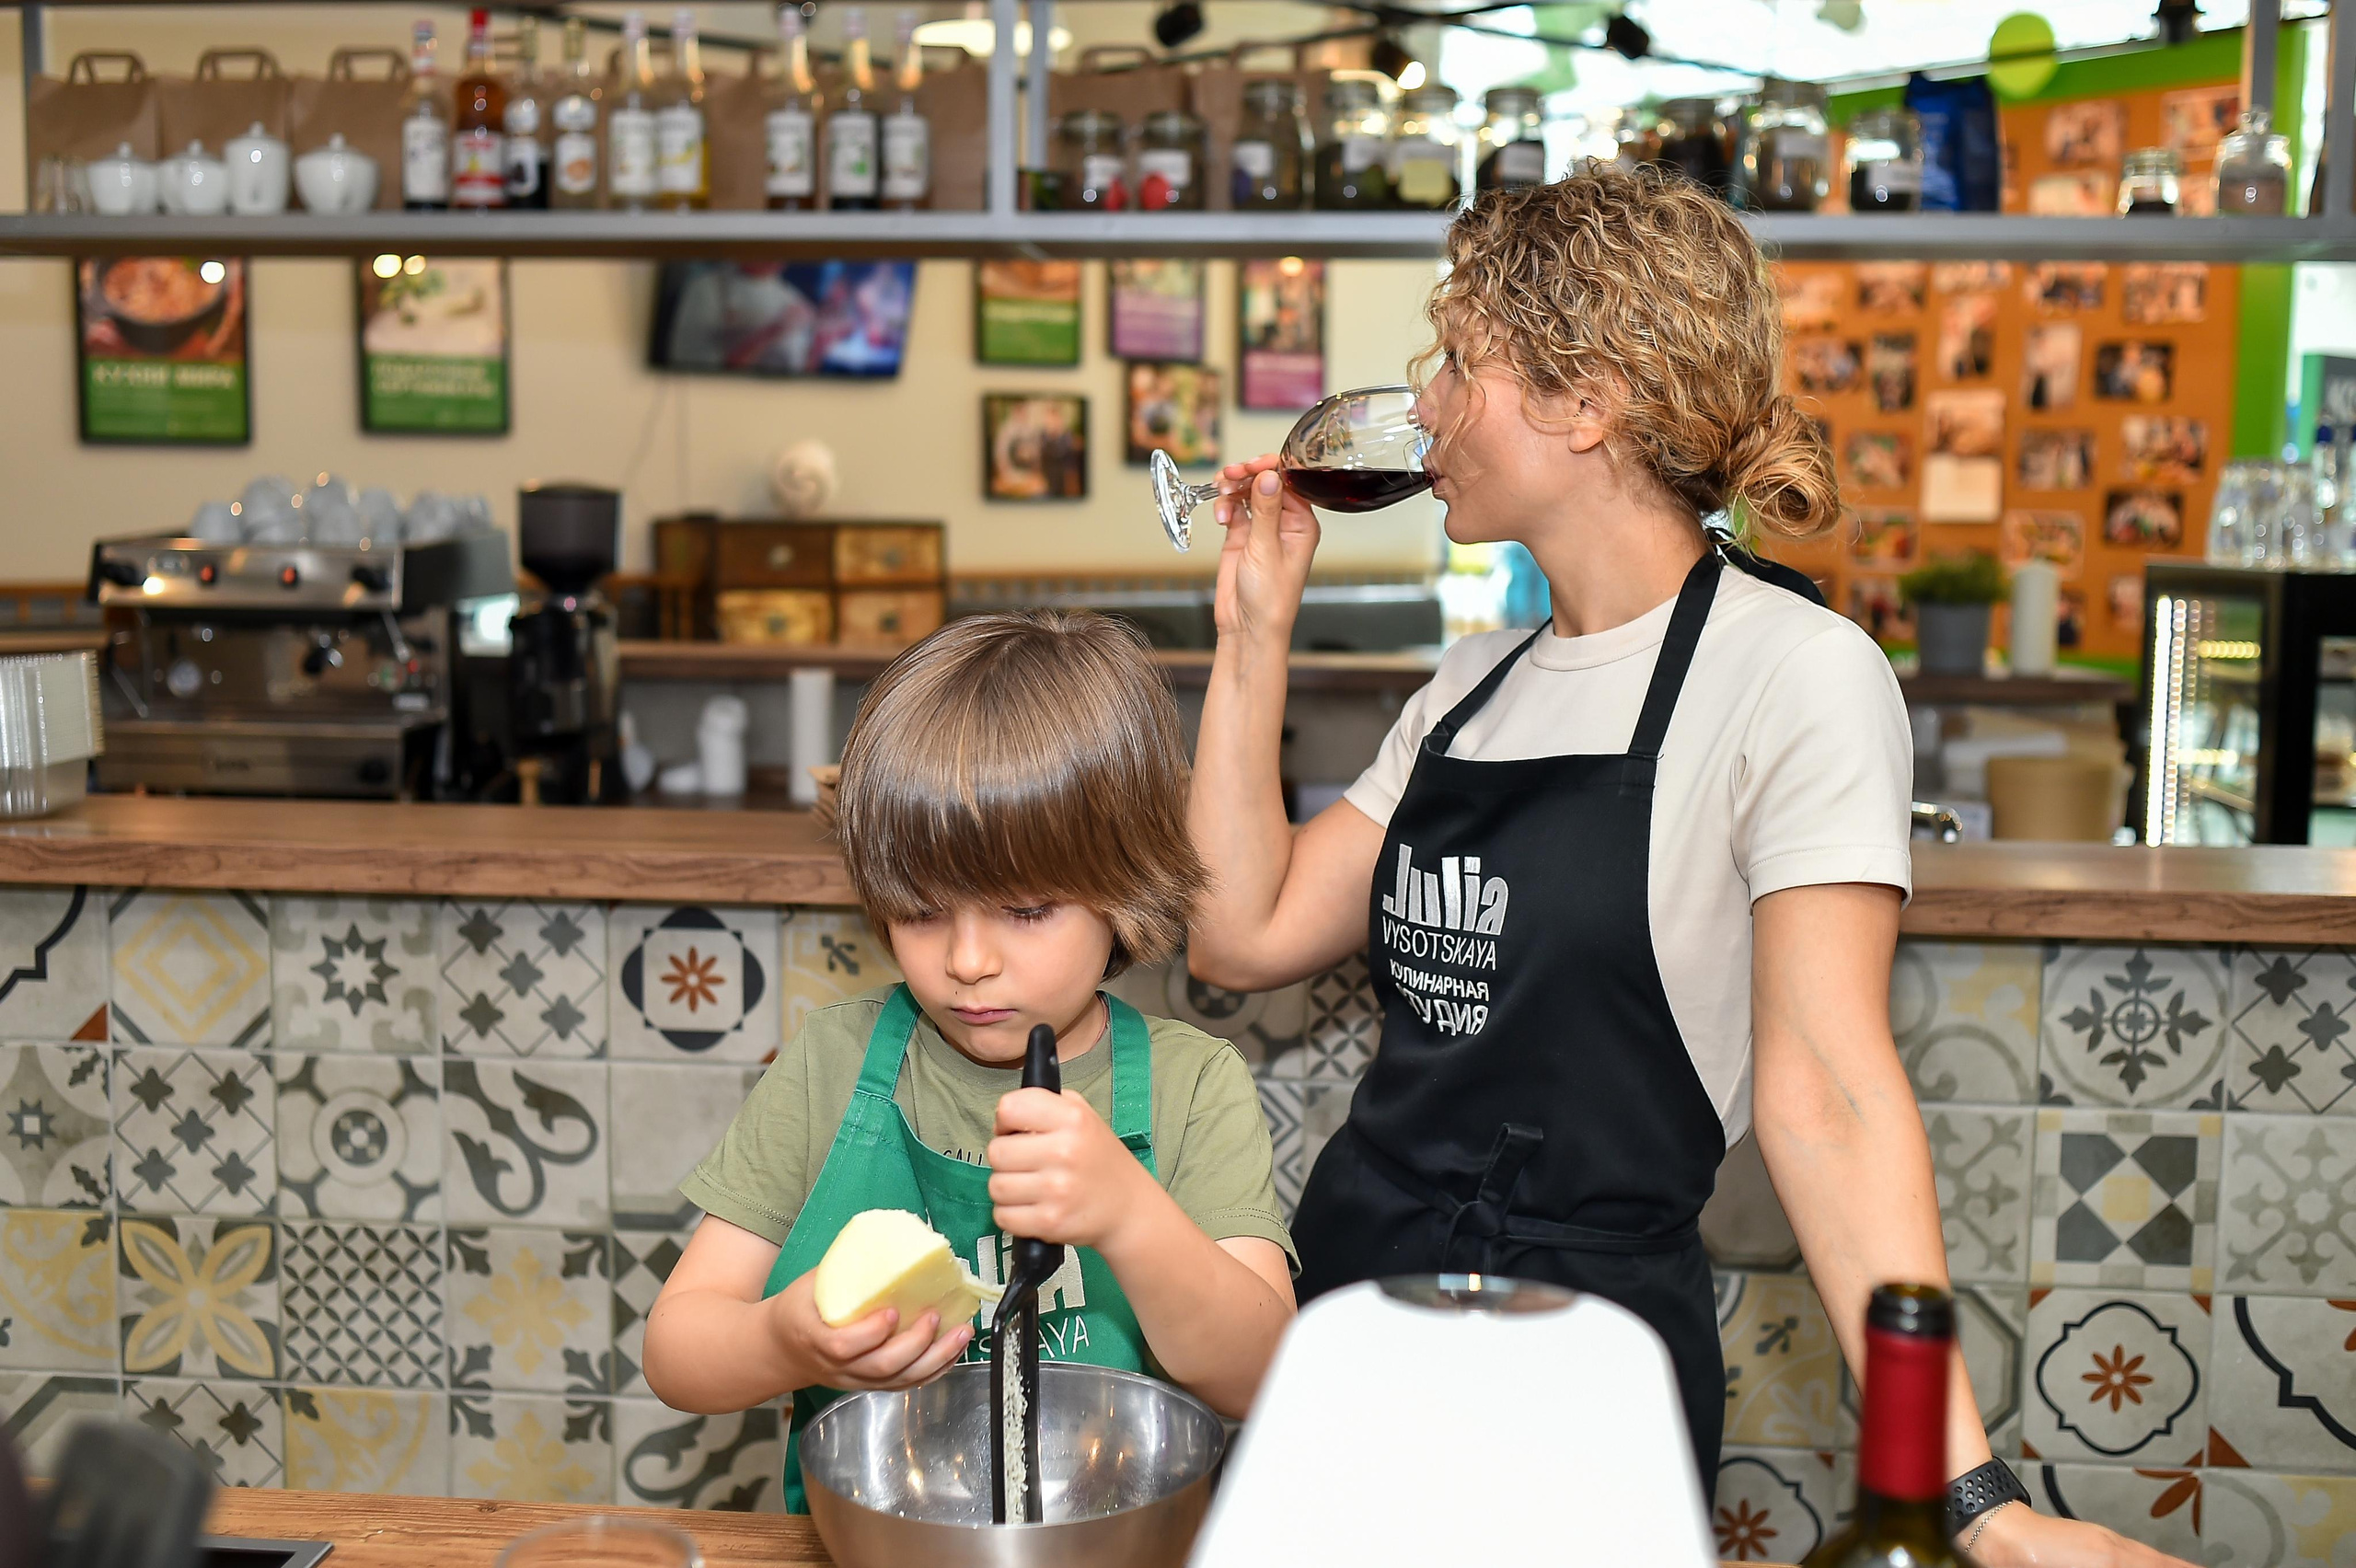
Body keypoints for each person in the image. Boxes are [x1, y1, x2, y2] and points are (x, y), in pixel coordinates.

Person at [1185, 168, 2187, 1568]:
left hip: (1592, 1367)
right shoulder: (1472, 687)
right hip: (1355, 1317)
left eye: (1457, 363)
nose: (1421, 405)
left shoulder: (1799, 677)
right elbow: (1241, 930)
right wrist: (1252, 634)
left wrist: (1976, 1503)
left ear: (1584, 398)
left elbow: (1829, 1096)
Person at [643, 610, 1298, 1512]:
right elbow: (677, 1353)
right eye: (919, 911)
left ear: (1126, 881)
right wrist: (785, 1343)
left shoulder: (1192, 1086)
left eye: (1026, 910)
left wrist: (1130, 1218)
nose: (966, 961)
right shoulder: (837, 1063)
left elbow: (1263, 1377)